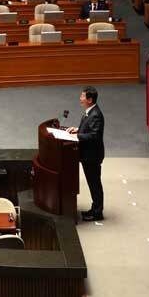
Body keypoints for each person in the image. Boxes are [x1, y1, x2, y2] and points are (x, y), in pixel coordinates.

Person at [66, 86, 105, 221]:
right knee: (92, 183)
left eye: (83, 96)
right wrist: (77, 130)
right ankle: (94, 209)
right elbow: (87, 129)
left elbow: (94, 136)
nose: (80, 98)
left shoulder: (96, 115)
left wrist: (77, 137)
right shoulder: (89, 112)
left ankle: (97, 212)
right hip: (88, 155)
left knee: (94, 183)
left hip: (92, 156)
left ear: (89, 99)